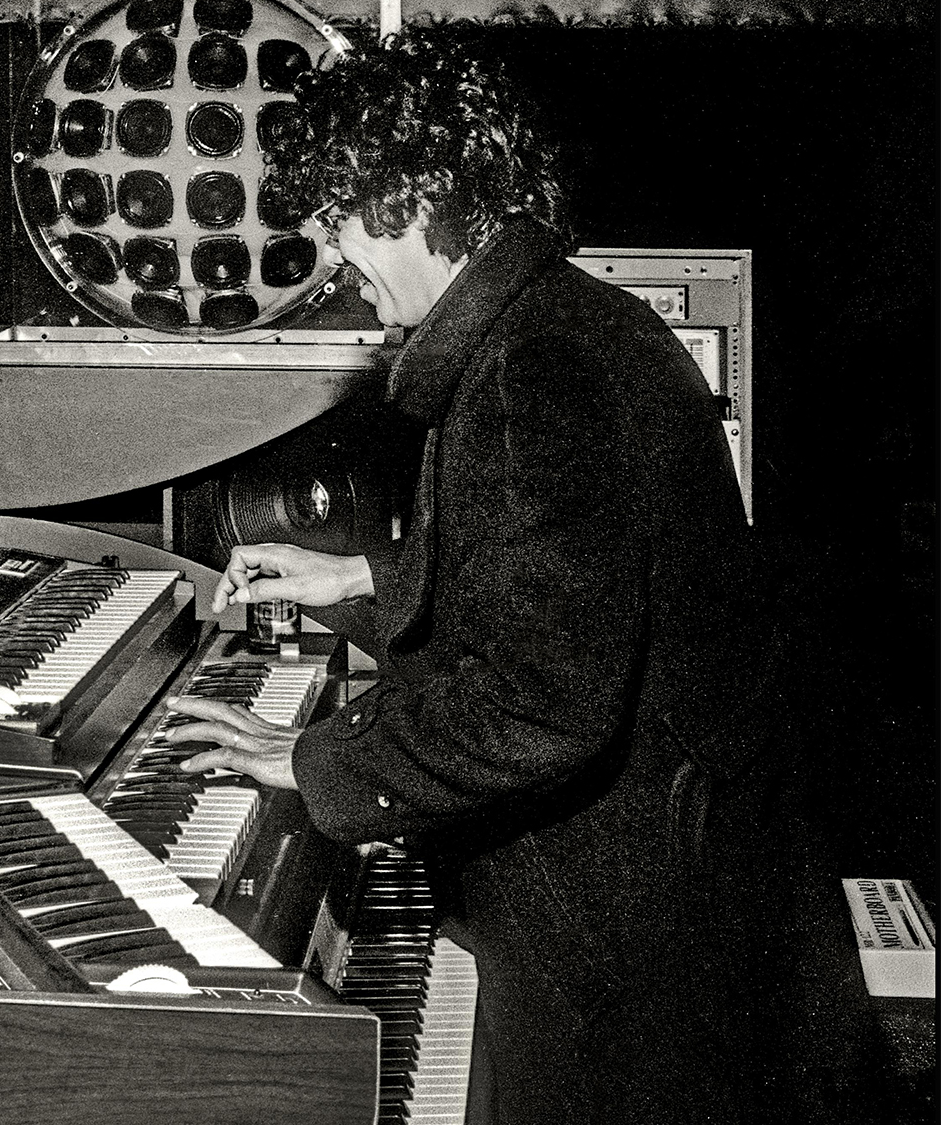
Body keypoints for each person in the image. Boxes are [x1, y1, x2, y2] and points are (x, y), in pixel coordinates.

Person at [164, 31, 886, 1125]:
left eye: (333, 208)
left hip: (624, 914)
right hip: (684, 870)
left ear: (404, 192)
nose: (322, 244)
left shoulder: (526, 372)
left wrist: (316, 760)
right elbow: (577, 579)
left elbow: (543, 700)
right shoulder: (576, 320)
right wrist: (362, 573)